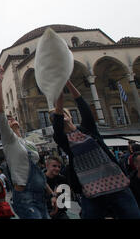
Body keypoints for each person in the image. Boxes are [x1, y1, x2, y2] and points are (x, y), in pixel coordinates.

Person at [51, 80, 140, 219]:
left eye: (65, 114)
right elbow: (57, 120)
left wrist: (67, 81)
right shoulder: (62, 139)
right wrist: (59, 96)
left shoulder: (88, 129)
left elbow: (82, 104)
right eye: (59, 115)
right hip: (91, 190)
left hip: (117, 184)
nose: (63, 117)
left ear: (70, 116)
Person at [0, 65, 56, 219]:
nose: (11, 119)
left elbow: (36, 172)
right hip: (24, 196)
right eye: (8, 120)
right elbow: (0, 111)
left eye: (13, 117)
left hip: (40, 195)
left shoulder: (29, 143)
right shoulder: (9, 140)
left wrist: (52, 194)